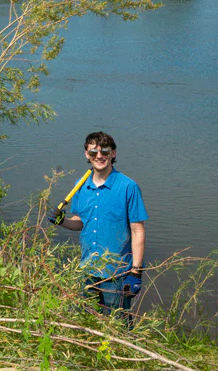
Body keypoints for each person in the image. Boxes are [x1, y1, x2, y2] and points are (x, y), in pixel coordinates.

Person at [48, 131, 148, 328]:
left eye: (104, 151)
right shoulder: (80, 185)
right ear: (86, 154)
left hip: (116, 273)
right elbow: (80, 221)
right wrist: (62, 221)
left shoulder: (128, 187)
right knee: (87, 324)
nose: (99, 156)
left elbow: (138, 231)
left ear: (113, 153)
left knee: (118, 326)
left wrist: (136, 272)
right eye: (93, 152)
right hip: (87, 269)